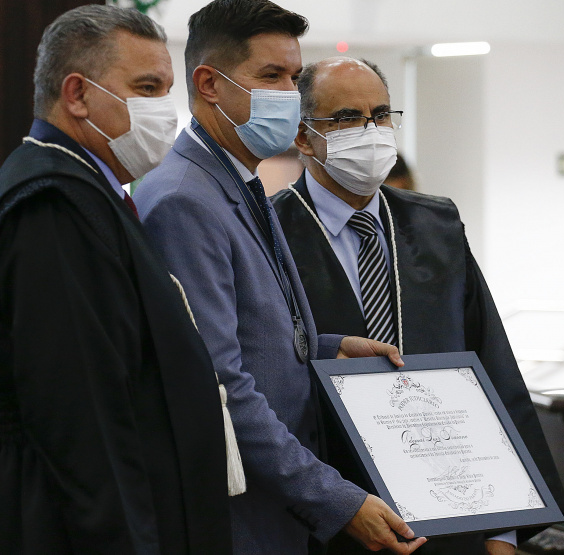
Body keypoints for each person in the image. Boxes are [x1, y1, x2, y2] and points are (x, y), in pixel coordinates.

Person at [133, 1, 427, 554]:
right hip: (238, 525)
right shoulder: (184, 201)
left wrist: (326, 347)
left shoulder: (240, 181)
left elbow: (249, 333)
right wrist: (337, 500)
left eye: (293, 76)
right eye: (270, 76)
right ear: (209, 84)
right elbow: (220, 389)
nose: (290, 94)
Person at [0, 6, 233, 553]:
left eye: (165, 91)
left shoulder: (89, 191)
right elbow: (84, 419)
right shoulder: (53, 207)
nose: (162, 111)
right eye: (145, 88)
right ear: (77, 94)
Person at [270, 57, 564, 554]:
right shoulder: (271, 232)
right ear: (303, 137)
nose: (369, 131)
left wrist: (505, 530)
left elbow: (491, 362)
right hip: (337, 521)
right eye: (346, 117)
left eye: (381, 114)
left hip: (458, 517)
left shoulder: (437, 226)